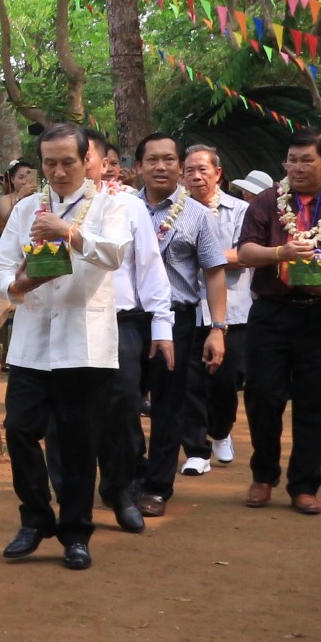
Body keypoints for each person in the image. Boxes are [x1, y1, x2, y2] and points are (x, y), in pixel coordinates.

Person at [0, 125, 134, 569]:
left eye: (66, 162)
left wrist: (66, 232)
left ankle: (75, 533)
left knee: (77, 442)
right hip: (33, 339)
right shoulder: (26, 208)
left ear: (86, 159)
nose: (57, 171)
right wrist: (17, 284)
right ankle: (35, 518)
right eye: (48, 163)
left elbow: (114, 255)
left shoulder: (111, 204)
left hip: (84, 344)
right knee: (18, 429)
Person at [233, 131, 321, 514]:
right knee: (263, 397)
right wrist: (281, 251)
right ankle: (263, 476)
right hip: (272, 314)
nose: (296, 167)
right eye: (291, 159)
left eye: (306, 160)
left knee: (315, 401)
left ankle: (305, 485)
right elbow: (245, 251)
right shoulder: (265, 202)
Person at [132, 134, 226, 516]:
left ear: (179, 166)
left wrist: (218, 328)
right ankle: (132, 474)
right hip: (125, 319)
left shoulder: (198, 215)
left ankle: (157, 487)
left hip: (176, 320)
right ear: (138, 166)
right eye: (152, 159)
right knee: (121, 400)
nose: (160, 166)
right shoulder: (120, 208)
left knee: (169, 405)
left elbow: (215, 273)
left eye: (169, 159)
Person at [87, 132, 173, 535]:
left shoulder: (129, 206)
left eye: (85, 156)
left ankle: (120, 491)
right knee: (68, 411)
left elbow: (150, 267)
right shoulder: (45, 208)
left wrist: (162, 326)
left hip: (122, 322)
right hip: (67, 323)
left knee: (123, 408)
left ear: (106, 163)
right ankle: (69, 493)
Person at [175, 144, 249, 475]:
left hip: (231, 309)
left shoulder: (240, 210)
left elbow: (245, 254)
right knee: (188, 380)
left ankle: (220, 431)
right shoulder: (175, 211)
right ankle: (195, 450)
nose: (195, 176)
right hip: (189, 307)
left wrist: (206, 255)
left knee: (225, 379)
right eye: (189, 170)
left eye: (202, 169)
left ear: (217, 173)